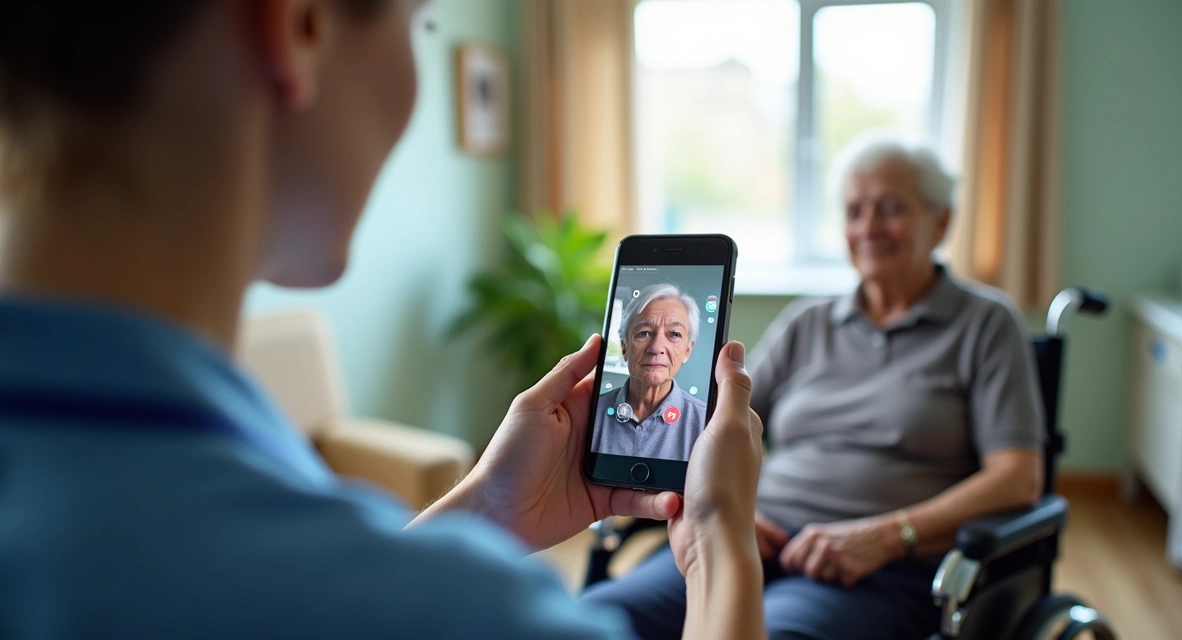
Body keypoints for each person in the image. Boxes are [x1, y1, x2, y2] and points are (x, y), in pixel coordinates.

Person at [0, 2, 766, 638]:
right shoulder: (472, 619)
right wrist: (718, 537)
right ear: (297, 26)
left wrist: (485, 513)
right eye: (419, 26)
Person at [582, 134, 1046, 639]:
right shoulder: (808, 321)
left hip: (878, 568)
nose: (868, 227)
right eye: (854, 211)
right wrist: (727, 512)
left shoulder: (985, 323)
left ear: (941, 221)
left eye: (890, 209)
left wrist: (887, 537)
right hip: (752, 536)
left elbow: (1017, 477)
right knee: (597, 622)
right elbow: (714, 426)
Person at [592, 284, 707, 461]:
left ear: (687, 351)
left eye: (674, 334)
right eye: (644, 333)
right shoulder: (590, 413)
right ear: (624, 346)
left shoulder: (707, 423)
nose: (656, 348)